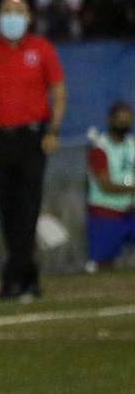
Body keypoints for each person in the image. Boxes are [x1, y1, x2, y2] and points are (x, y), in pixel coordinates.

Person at [0, 0, 67, 301]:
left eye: (18, 11)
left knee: (28, 207)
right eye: (7, 11)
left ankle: (14, 276)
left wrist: (53, 130)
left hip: (32, 137)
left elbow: (59, 91)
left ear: (29, 17)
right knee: (7, 208)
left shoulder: (42, 49)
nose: (12, 17)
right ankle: (26, 274)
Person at [86, 102, 135, 270]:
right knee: (103, 264)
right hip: (106, 213)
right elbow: (105, 185)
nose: (124, 123)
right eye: (120, 119)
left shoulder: (132, 145)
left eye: (128, 119)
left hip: (131, 212)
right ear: (110, 120)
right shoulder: (100, 148)